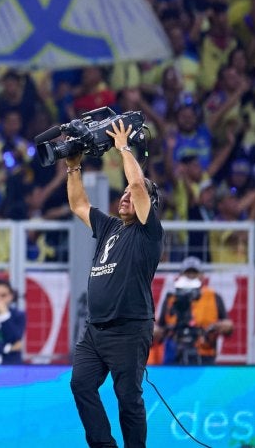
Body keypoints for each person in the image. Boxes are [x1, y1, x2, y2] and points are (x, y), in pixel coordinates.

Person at [66, 120, 163, 448]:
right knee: (80, 384)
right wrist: (73, 167)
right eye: (121, 194)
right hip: (96, 331)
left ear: (148, 204)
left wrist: (123, 147)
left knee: (128, 399)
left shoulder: (147, 232)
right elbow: (79, 205)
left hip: (129, 329)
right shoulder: (109, 227)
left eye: (130, 195)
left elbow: (138, 186)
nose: (125, 197)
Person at [153, 257, 234, 365]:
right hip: (175, 352)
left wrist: (217, 327)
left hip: (205, 354)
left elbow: (228, 324)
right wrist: (155, 331)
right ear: (180, 276)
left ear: (202, 276)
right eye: (187, 273)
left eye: (194, 273)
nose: (191, 277)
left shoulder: (213, 297)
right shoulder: (172, 298)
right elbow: (161, 326)